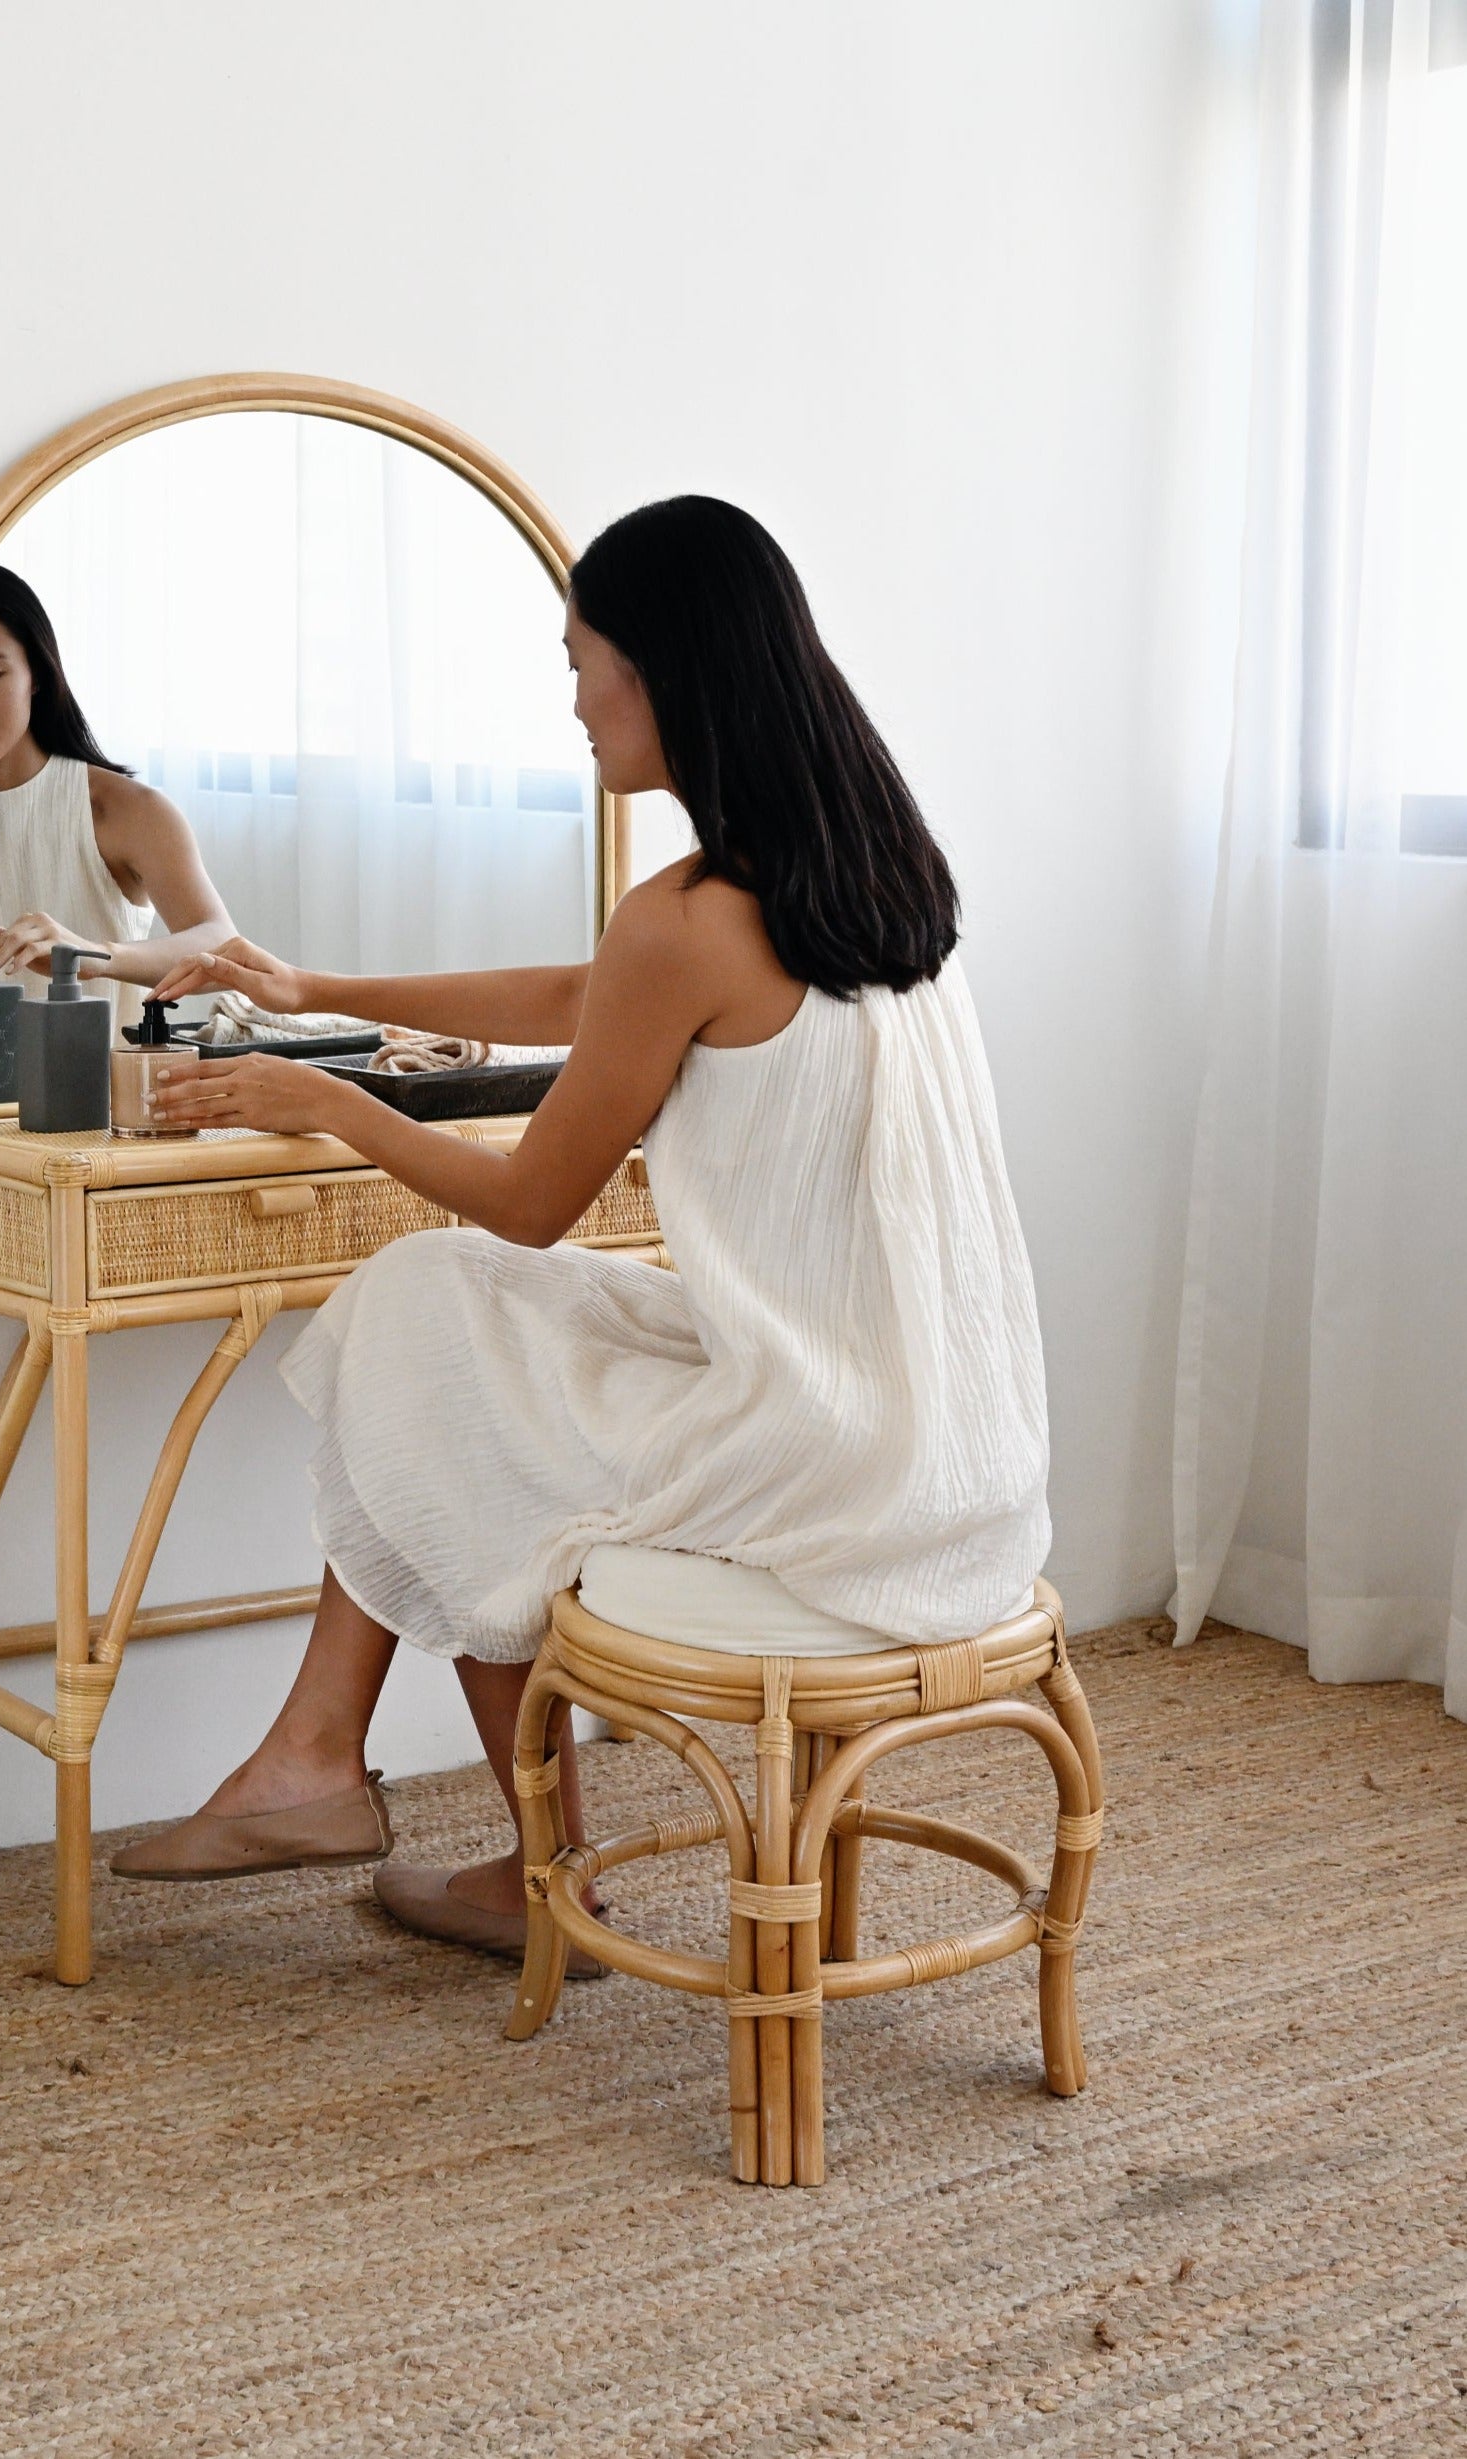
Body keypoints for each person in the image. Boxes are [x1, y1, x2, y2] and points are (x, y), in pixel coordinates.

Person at [112, 496, 1050, 1977]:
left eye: (577, 660)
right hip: (945, 1444)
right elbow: (587, 992)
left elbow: (529, 1201)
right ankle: (326, 1767)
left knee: (434, 1328)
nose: (568, 699)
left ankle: (494, 1848)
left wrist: (320, 1095)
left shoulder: (681, 916)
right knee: (448, 1325)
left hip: (817, 1465)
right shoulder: (868, 867)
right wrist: (315, 983)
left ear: (658, 669)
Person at [0, 564, 234, 1006]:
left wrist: (93, 956)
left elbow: (223, 948)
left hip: (106, 1076)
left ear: (37, 676)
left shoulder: (121, 810)